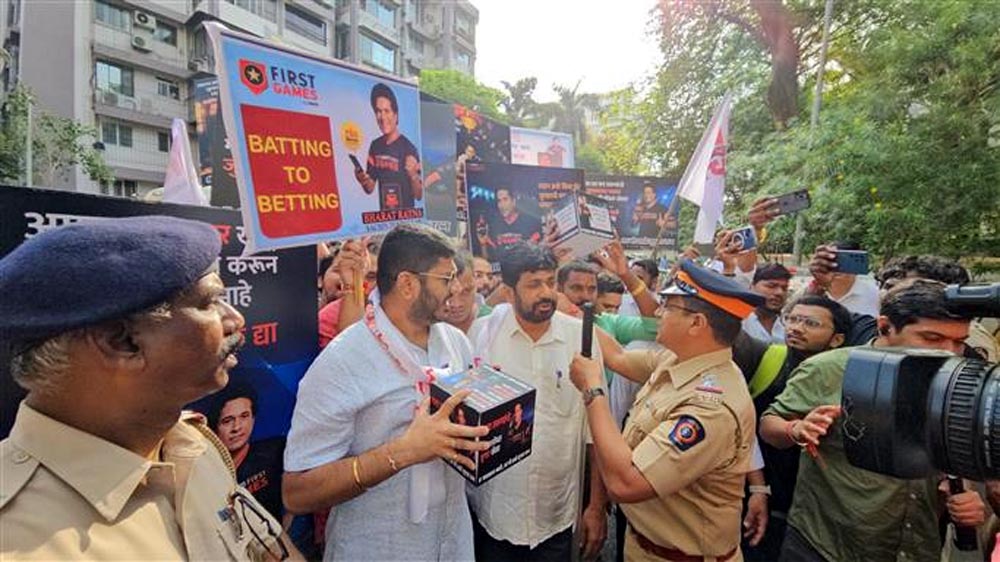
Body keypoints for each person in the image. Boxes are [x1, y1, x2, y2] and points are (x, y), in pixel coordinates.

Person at [0, 216, 301, 560]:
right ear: (123, 342)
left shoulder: (193, 444)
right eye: (208, 303)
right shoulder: (16, 538)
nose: (234, 320)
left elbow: (265, 547)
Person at [283, 223, 489, 561]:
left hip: (452, 544)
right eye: (446, 278)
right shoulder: (342, 361)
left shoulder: (456, 343)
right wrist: (403, 452)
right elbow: (297, 492)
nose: (457, 288)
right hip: (377, 548)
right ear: (407, 284)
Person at [760, 279, 988, 562]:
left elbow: (959, 450)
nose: (949, 352)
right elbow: (769, 425)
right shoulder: (829, 369)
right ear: (885, 327)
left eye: (959, 342)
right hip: (828, 546)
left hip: (917, 545)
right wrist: (796, 429)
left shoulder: (962, 381)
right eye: (932, 338)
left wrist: (963, 496)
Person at [573, 260, 766, 561]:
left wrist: (593, 391)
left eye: (668, 307)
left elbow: (625, 484)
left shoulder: (709, 408)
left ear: (696, 323)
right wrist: (572, 315)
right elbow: (618, 357)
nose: (658, 313)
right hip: (644, 546)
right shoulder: (679, 360)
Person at [468, 242, 608, 562]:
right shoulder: (481, 337)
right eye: (533, 284)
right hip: (494, 515)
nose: (546, 293)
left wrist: (596, 507)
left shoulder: (582, 339)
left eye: (550, 282)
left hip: (556, 517)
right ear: (508, 292)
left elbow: (596, 432)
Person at [731, 296, 852, 561]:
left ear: (837, 340)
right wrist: (758, 489)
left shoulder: (850, 378)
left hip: (817, 508)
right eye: (793, 319)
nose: (797, 327)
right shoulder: (765, 358)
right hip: (760, 494)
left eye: (811, 323)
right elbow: (745, 428)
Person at [207, 381, 287, 522]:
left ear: (253, 418)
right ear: (214, 426)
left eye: (244, 416)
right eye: (227, 421)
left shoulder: (277, 451)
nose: (237, 427)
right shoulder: (206, 473)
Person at [354, 83, 422, 210]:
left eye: (387, 111)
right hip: (385, 217)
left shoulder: (409, 148)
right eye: (378, 111)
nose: (383, 117)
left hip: (406, 218)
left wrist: (413, 175)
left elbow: (418, 195)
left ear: (395, 115)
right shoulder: (375, 146)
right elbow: (370, 188)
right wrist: (363, 180)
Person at [801, 242, 879, 317]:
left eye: (845, 261)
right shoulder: (809, 291)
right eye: (833, 261)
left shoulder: (875, 295)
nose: (837, 266)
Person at [475, 187, 542, 261]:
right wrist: (483, 244)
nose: (502, 205)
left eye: (505, 199)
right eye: (499, 201)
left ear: (513, 201)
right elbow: (487, 262)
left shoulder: (530, 223)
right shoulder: (493, 226)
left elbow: (538, 257)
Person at [436, 251, 492, 334]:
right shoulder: (425, 328)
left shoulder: (494, 324)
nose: (456, 304)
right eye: (449, 294)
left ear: (475, 284)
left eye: (466, 292)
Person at [743, 263, 793, 344]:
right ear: (752, 287)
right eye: (771, 286)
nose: (779, 292)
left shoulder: (790, 326)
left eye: (784, 288)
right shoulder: (738, 322)